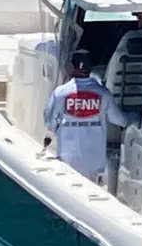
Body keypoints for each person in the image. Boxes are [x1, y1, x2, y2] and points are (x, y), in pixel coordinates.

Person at [43, 50, 132, 182]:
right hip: (94, 162)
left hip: (67, 160)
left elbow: (49, 123)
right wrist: (133, 118)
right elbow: (120, 120)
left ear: (71, 66)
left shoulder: (60, 93)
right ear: (90, 69)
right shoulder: (104, 93)